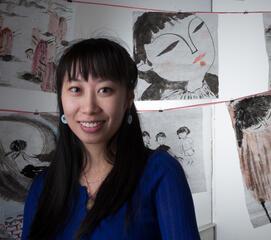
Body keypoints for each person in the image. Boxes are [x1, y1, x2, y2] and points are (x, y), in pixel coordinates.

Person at [21, 38, 200, 239]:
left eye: (104, 90)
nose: (89, 107)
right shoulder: (43, 187)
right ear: (61, 100)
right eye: (75, 90)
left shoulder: (160, 172)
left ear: (127, 99)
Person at [133, 12, 218, 100]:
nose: (194, 50)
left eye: (197, 28)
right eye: (170, 47)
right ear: (145, 64)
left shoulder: (217, 83)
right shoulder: (152, 99)